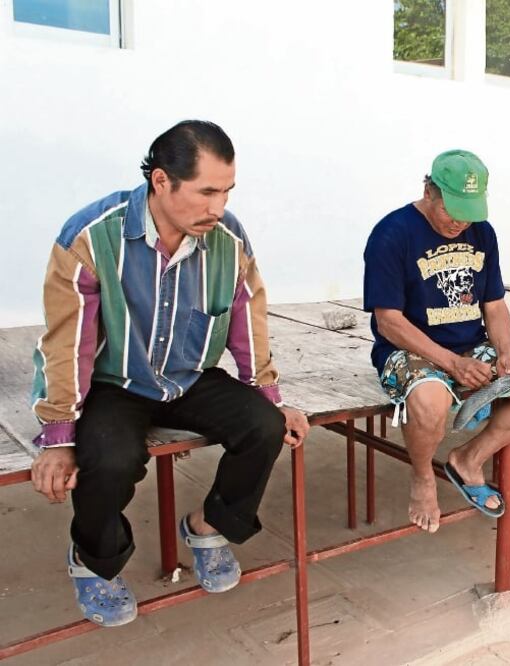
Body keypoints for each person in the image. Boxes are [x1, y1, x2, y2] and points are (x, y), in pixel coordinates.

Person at [29, 120, 310, 627]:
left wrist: (269, 394)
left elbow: (248, 319)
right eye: (206, 192)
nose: (218, 207)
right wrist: (58, 435)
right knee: (109, 459)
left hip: (188, 374)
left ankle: (207, 526)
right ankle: (95, 560)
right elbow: (69, 343)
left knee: (264, 426)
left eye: (226, 191)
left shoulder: (228, 238)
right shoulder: (91, 238)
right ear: (161, 181)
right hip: (115, 383)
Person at [362, 149, 510, 534]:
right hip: (409, 348)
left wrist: (504, 352)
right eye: (452, 209)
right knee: (430, 400)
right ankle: (422, 476)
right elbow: (388, 322)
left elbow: (494, 303)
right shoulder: (392, 233)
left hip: (472, 344)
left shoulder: (482, 232)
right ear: (429, 191)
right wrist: (452, 365)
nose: (460, 221)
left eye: (469, 210)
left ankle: (468, 459)